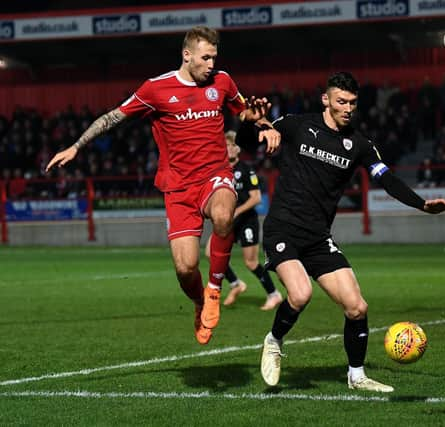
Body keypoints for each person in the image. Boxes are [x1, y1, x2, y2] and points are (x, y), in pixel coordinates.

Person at [45, 26, 280, 346]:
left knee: (225, 215)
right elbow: (113, 117)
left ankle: (214, 288)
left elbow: (247, 115)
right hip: (179, 189)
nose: (211, 64)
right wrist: (77, 146)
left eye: (214, 57)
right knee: (185, 269)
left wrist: (261, 124)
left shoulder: (222, 82)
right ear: (187, 55)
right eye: (205, 57)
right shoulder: (156, 89)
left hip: (215, 174)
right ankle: (199, 300)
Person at [249, 72, 445, 393]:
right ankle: (274, 341)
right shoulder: (297, 125)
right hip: (283, 229)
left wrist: (421, 204)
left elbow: (386, 179)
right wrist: (257, 125)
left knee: (357, 307)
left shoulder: (360, 145)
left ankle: (357, 376)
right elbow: (253, 140)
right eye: (341, 101)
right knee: (301, 294)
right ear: (326, 100)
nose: (348, 108)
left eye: (353, 103)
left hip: (318, 237)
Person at [205, 130, 283, 310]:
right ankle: (235, 284)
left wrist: (237, 211)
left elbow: (256, 198)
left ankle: (274, 294)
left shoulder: (246, 170)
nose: (229, 149)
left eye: (232, 145)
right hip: (227, 222)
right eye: (226, 146)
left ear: (238, 149)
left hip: (247, 220)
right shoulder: (220, 171)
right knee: (211, 253)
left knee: (251, 262)